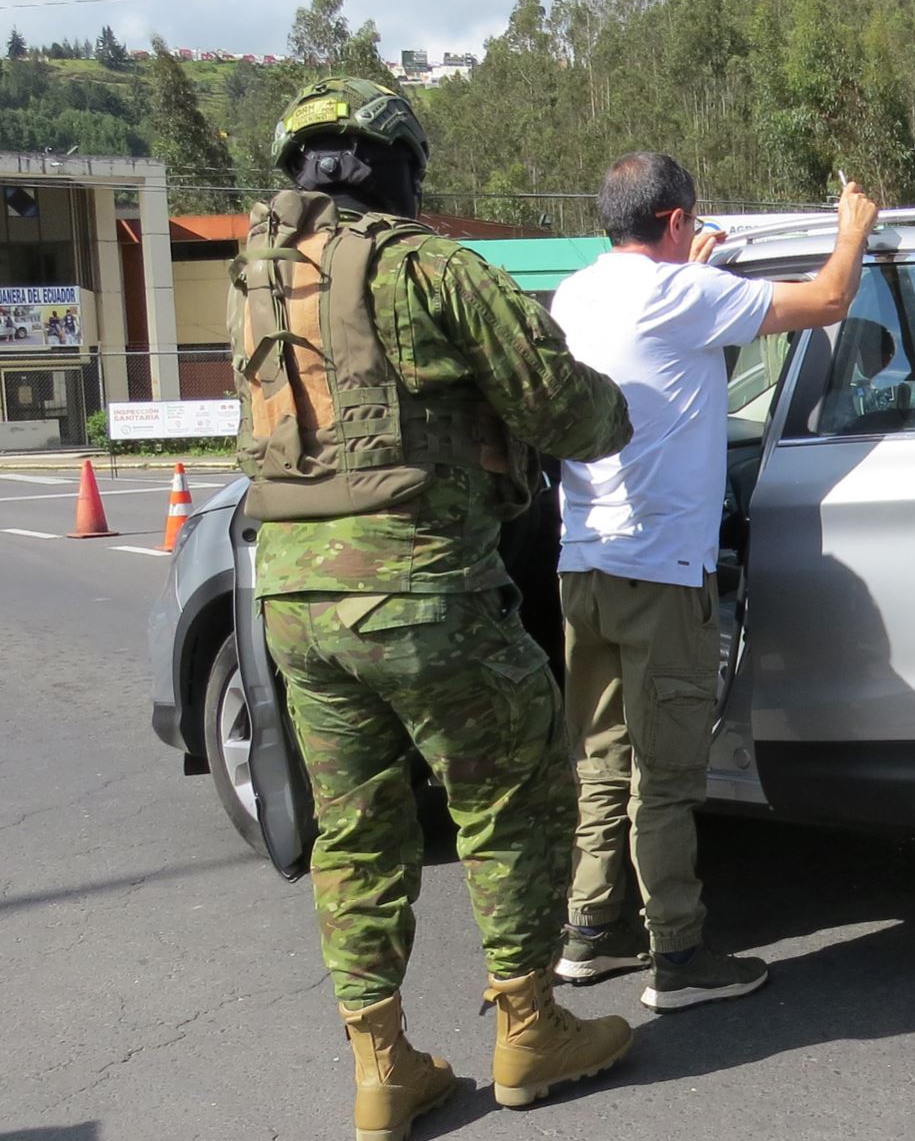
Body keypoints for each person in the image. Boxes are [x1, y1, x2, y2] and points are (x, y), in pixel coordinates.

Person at [230, 77, 637, 1139]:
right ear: (399, 161)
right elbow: (567, 406)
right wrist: (618, 409)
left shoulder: (260, 284)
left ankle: (382, 1069)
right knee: (514, 793)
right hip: (419, 589)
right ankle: (531, 1026)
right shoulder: (428, 268)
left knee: (357, 830)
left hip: (294, 601)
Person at [551, 152, 878, 1010]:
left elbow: (670, 371)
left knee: (601, 760)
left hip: (582, 566)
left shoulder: (578, 295)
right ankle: (680, 956)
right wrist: (852, 231)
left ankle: (590, 934)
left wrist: (693, 271)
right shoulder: (681, 294)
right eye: (690, 221)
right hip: (660, 575)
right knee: (665, 776)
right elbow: (830, 301)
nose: (695, 231)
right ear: (671, 222)